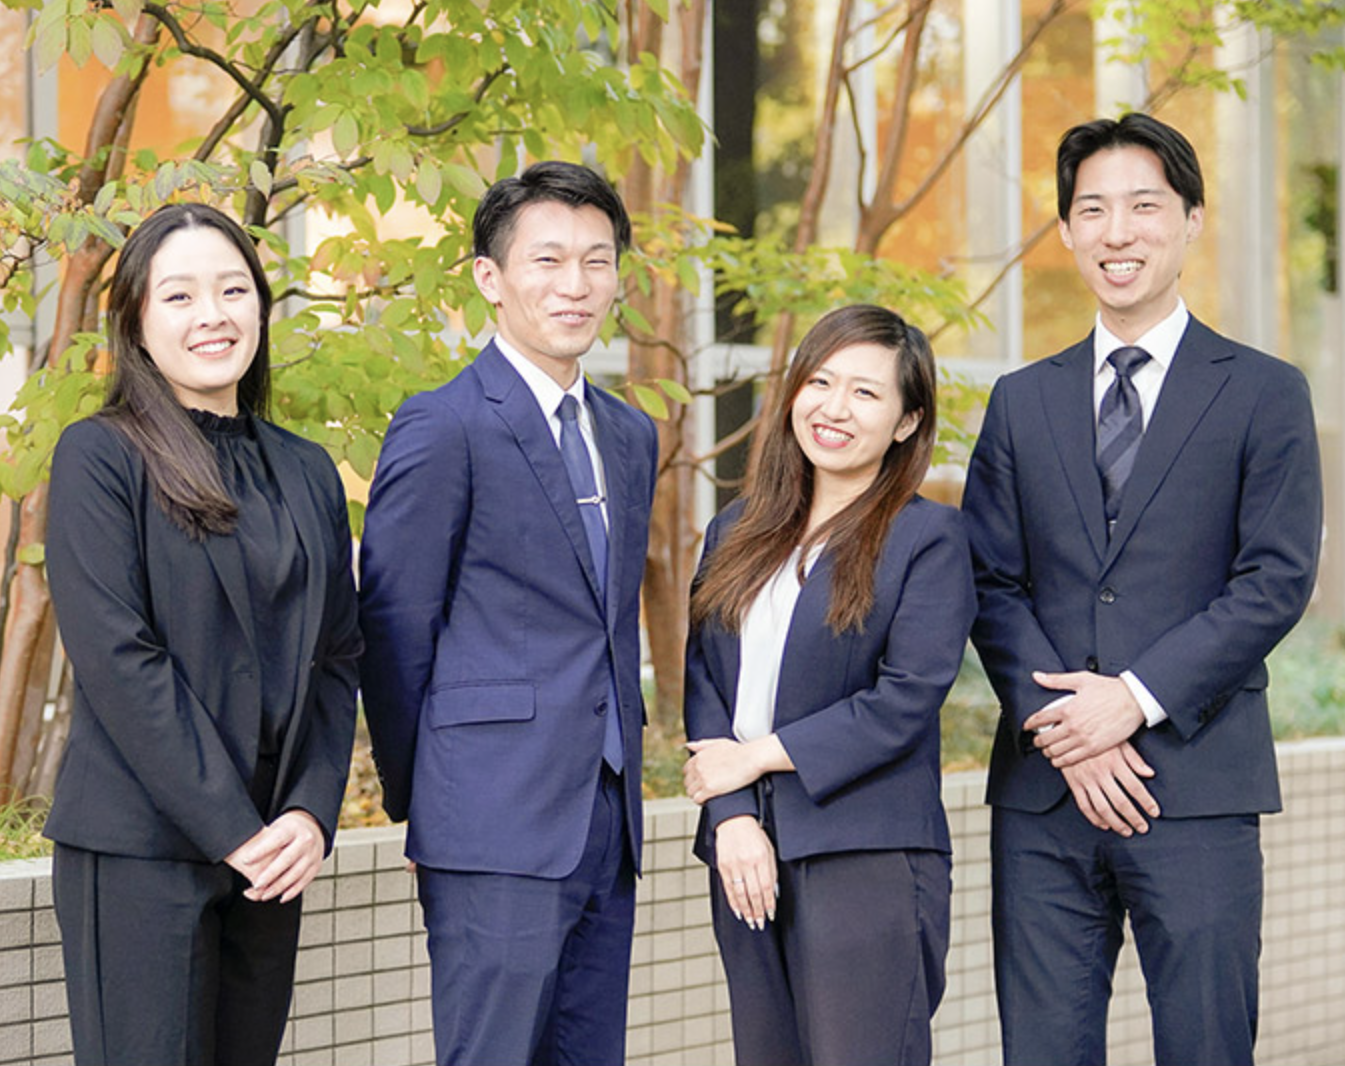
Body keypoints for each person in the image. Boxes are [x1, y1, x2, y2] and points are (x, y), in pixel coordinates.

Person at [960, 112, 1323, 1066]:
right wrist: (1068, 732)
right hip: (1045, 801)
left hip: (1196, 789)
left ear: (1192, 219)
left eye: (1143, 206)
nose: (1117, 232)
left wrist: (1132, 700)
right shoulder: (1020, 400)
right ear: (1066, 230)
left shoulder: (1264, 392)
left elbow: (1275, 579)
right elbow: (991, 582)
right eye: (1093, 210)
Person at [43, 202, 362, 1066]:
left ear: (260, 305)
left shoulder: (305, 470)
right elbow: (120, 659)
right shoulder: (100, 457)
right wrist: (234, 829)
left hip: (271, 855)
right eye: (179, 296)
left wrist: (310, 812)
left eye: (232, 290)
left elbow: (338, 656)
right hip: (142, 850)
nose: (212, 315)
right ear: (137, 321)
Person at [358, 160, 657, 1066]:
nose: (577, 285)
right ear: (490, 278)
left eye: (597, 261)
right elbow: (395, 632)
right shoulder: (443, 425)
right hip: (488, 820)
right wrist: (429, 804)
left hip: (606, 820)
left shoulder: (629, 434)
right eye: (548, 260)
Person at [683, 304, 974, 1066]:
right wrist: (731, 817)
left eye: (865, 392)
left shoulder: (928, 540)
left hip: (866, 855)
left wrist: (755, 758)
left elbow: (904, 699)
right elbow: (705, 679)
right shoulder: (736, 530)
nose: (834, 408)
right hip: (746, 853)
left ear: (908, 421)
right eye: (820, 381)